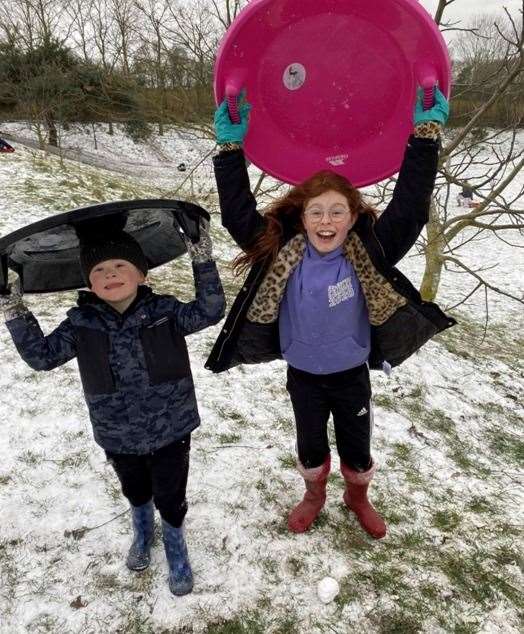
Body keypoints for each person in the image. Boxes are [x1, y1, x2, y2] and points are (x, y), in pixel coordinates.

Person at [205, 88, 454, 539]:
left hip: (350, 373)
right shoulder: (279, 251)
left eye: (337, 211)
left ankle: (357, 495)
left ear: (352, 215)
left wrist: (425, 135)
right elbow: (237, 215)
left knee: (357, 449)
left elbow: (411, 207)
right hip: (303, 374)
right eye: (316, 211)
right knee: (311, 444)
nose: (326, 220)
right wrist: (229, 148)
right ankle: (314, 493)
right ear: (301, 218)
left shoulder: (369, 250)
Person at [0, 223, 225, 595]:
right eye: (99, 271)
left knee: (170, 494)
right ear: (89, 284)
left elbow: (210, 310)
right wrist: (13, 308)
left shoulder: (165, 311)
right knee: (135, 489)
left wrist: (202, 259)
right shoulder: (80, 324)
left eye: (120, 266)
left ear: (141, 272)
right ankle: (142, 531)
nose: (110, 275)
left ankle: (175, 546)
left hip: (171, 427)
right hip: (116, 431)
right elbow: (42, 357)